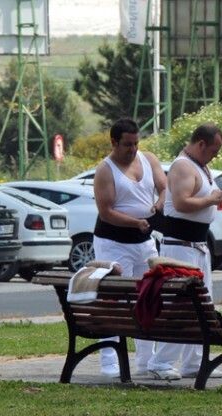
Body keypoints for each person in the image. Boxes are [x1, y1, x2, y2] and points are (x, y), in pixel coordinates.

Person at [146, 123, 222, 380]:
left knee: (203, 305)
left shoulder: (200, 165)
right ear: (201, 144)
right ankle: (161, 361)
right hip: (180, 248)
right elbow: (181, 203)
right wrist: (211, 200)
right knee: (180, 304)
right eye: (214, 150)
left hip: (198, 246)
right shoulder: (183, 166)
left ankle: (195, 360)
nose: (215, 155)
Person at [92, 118, 167, 378]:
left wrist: (159, 203)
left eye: (136, 143)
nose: (133, 149)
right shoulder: (105, 169)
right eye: (127, 144)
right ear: (114, 142)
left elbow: (164, 187)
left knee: (147, 296)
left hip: (145, 240)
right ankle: (109, 361)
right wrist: (135, 222)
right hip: (113, 241)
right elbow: (106, 211)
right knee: (114, 299)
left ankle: (146, 360)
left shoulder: (148, 159)